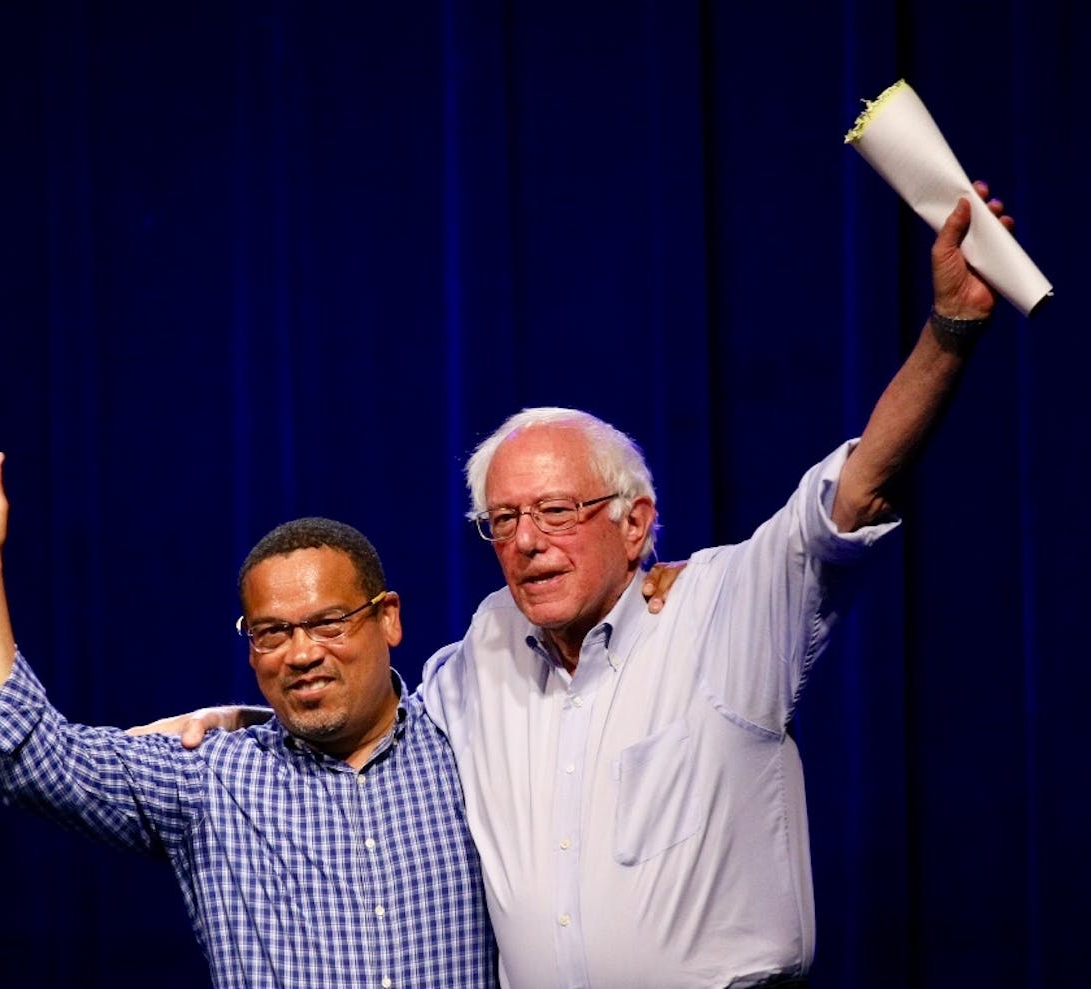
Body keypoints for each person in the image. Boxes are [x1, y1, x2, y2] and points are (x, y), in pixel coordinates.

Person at [160, 185, 1018, 987]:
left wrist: (951, 324)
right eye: (503, 521)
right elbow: (377, 712)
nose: (528, 542)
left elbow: (859, 489)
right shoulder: (481, 659)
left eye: (558, 510)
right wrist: (255, 719)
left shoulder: (726, 609)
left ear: (636, 523)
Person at [0, 433, 499, 987]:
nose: (302, 653)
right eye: (272, 633)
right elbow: (29, 756)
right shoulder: (211, 778)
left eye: (329, 623)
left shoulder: (473, 743)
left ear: (387, 617)